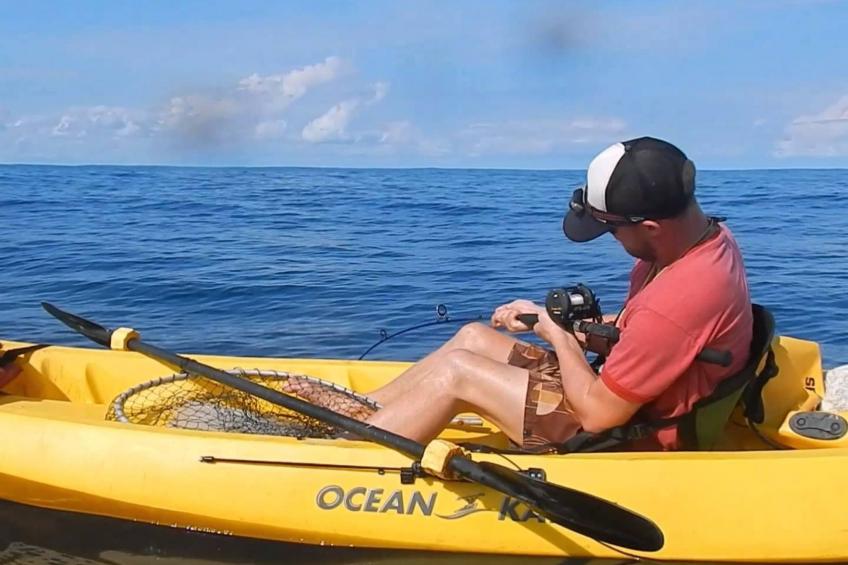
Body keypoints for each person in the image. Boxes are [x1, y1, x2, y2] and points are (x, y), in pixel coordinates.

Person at [362, 136, 753, 451]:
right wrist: (546, 319)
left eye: (612, 230)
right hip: (623, 399)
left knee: (458, 373)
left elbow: (598, 416)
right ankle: (362, 414)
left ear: (651, 227)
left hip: (629, 434)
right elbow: (644, 337)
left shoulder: (678, 298)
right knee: (473, 338)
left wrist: (559, 335)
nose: (613, 240)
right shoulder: (706, 239)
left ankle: (348, 456)